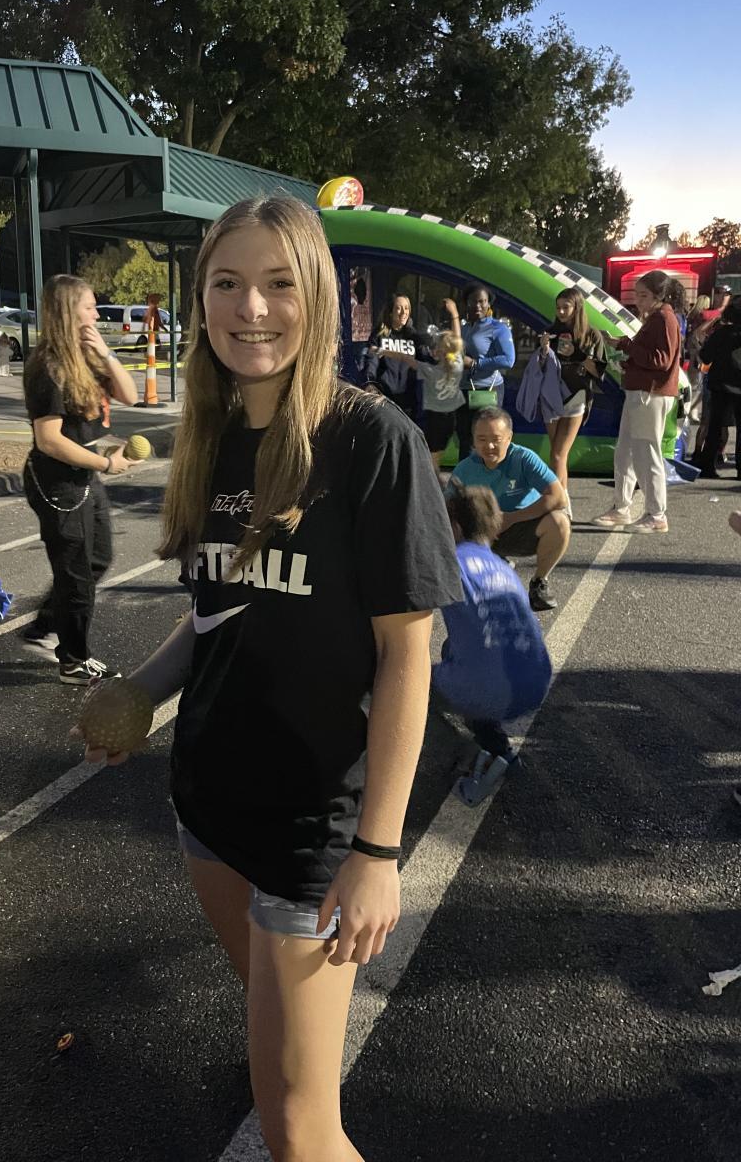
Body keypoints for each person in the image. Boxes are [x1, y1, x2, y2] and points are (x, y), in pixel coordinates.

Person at [80, 197, 461, 1162]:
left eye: (279, 283)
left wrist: (376, 851)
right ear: (201, 299)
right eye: (228, 283)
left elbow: (409, 654)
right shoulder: (210, 437)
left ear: (318, 297)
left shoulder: (372, 442)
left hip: (314, 831)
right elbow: (217, 613)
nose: (252, 308)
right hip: (209, 806)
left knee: (298, 1131)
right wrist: (142, 690)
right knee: (283, 1055)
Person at [21, 273, 139, 683]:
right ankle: (73, 661)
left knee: (97, 558)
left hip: (83, 474)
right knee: (75, 574)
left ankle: (45, 627)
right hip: (57, 481)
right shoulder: (47, 367)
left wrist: (105, 353)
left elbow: (130, 395)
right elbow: (49, 440)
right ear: (69, 312)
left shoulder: (86, 357)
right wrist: (105, 464)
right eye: (89, 307)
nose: (96, 314)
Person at [434, 486, 552, 805]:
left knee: (401, 685)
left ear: (455, 526)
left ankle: (465, 755)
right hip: (535, 683)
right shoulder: (503, 568)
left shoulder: (452, 563)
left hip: (489, 689)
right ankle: (499, 749)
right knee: (452, 650)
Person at [447, 407, 570, 612]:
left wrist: (511, 518)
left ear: (509, 437)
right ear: (473, 440)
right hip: (482, 534)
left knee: (560, 522)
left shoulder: (524, 458)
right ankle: (488, 569)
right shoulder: (464, 468)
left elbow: (559, 497)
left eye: (496, 439)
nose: (489, 446)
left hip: (520, 528)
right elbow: (445, 510)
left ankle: (539, 583)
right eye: (482, 439)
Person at [593, 270, 682, 534]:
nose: (638, 301)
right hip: (642, 392)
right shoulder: (658, 317)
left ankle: (656, 514)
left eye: (643, 295)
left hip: (649, 394)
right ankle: (622, 507)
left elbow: (661, 360)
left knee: (645, 454)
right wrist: (627, 357)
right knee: (626, 453)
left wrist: (626, 346)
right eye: (637, 295)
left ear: (659, 296)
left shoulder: (663, 318)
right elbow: (656, 359)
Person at [538, 288, 607, 514]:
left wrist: (576, 354)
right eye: (558, 307)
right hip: (551, 395)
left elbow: (598, 371)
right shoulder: (550, 332)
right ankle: (563, 502)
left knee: (559, 453)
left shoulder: (591, 335)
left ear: (577, 308)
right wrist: (543, 351)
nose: (560, 312)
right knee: (557, 454)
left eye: (565, 307)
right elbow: (539, 368)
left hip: (577, 395)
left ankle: (560, 504)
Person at [456, 283, 516, 459]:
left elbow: (508, 360)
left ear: (489, 303)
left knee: (487, 439)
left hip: (488, 390)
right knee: (465, 440)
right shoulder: (464, 328)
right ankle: (466, 476)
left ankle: (489, 475)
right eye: (473, 301)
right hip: (465, 390)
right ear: (466, 303)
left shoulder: (498, 328)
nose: (478, 305)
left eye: (482, 301)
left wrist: (476, 363)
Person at [692, 297, 741, 479]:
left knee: (715, 426)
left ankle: (708, 466)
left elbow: (705, 357)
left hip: (720, 385)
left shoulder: (721, 333)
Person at [363, 293, 426, 419]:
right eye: (398, 308)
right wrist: (370, 383)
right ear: (391, 312)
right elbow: (371, 361)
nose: (403, 312)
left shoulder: (413, 336)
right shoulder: (379, 335)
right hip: (385, 399)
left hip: (408, 400)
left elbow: (425, 358)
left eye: (406, 308)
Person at [414, 324, 465, 469]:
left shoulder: (431, 371)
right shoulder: (458, 363)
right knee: (439, 452)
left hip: (435, 418)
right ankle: (435, 477)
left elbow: (405, 358)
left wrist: (383, 351)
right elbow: (457, 341)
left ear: (440, 351)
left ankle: (433, 479)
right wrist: (454, 315)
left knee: (432, 455)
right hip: (451, 417)